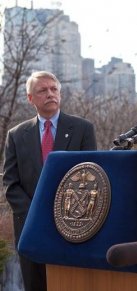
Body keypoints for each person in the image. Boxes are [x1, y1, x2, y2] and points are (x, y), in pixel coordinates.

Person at [3, 71, 97, 291]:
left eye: (54, 89)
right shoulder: (16, 135)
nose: (50, 94)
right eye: (42, 90)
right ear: (30, 98)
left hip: (73, 225)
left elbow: (91, 175)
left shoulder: (82, 129)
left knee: (70, 283)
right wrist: (36, 213)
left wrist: (65, 211)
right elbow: (10, 183)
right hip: (31, 226)